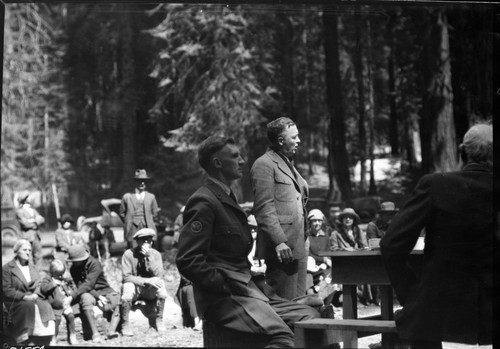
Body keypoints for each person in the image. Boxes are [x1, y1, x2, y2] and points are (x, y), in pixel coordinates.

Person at [176, 135, 319, 348]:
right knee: (284, 338)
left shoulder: (225, 196)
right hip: (225, 299)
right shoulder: (204, 201)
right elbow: (188, 260)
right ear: (217, 163)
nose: (242, 160)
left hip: (250, 292)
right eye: (235, 156)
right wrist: (224, 284)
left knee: (312, 318)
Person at [380, 122, 493, 349]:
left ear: (462, 152)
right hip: (492, 308)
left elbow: (391, 244)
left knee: (422, 323)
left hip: (439, 304)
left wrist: (412, 294)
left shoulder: (435, 185)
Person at [250, 116, 309, 300]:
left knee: (300, 304)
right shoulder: (264, 165)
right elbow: (263, 208)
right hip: (283, 249)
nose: (299, 141)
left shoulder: (288, 163)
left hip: (298, 244)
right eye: (294, 137)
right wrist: (279, 242)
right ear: (281, 140)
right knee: (286, 304)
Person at [2, 239, 55, 345]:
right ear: (17, 251)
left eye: (29, 250)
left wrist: (35, 294)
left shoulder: (32, 267)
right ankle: (24, 337)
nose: (28, 253)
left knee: (45, 306)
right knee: (28, 307)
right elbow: (6, 289)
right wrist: (24, 297)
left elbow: (39, 283)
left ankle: (45, 337)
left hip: (33, 297)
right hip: (15, 301)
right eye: (24, 250)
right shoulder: (7, 268)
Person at [64, 245, 120, 342]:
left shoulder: (94, 264)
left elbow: (89, 283)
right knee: (86, 299)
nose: (73, 263)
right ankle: (95, 333)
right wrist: (97, 296)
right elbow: (83, 286)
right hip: (88, 291)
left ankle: (111, 330)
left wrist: (71, 297)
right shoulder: (73, 269)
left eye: (75, 261)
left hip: (104, 290)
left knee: (118, 300)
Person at [120, 227, 167, 336]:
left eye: (149, 239)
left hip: (149, 290)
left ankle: (159, 319)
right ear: (137, 241)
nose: (146, 242)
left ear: (152, 241)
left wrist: (149, 257)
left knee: (162, 286)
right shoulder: (128, 254)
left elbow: (159, 275)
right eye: (143, 239)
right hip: (136, 288)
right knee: (128, 287)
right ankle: (125, 324)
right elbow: (126, 277)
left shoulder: (155, 254)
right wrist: (147, 280)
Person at [40, 259, 79, 345]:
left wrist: (70, 292)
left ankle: (72, 336)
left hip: (66, 304)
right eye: (58, 275)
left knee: (71, 317)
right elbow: (43, 289)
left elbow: (74, 288)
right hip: (55, 306)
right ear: (52, 272)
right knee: (57, 320)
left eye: (62, 274)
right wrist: (54, 284)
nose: (60, 276)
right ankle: (53, 338)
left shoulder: (64, 279)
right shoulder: (48, 279)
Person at [119, 169, 159, 249]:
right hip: (132, 228)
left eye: (144, 181)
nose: (142, 183)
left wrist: (148, 220)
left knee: (147, 251)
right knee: (133, 252)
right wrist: (129, 221)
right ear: (135, 182)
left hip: (147, 227)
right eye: (140, 181)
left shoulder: (151, 197)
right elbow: (122, 213)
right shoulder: (127, 197)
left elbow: (155, 213)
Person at [16, 191, 45, 265]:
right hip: (27, 237)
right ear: (25, 199)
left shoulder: (33, 210)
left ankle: (38, 274)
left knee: (38, 256)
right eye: (28, 197)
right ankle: (30, 274)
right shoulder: (20, 211)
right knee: (28, 256)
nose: (31, 198)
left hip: (36, 236)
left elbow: (42, 220)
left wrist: (31, 221)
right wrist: (36, 221)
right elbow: (25, 224)